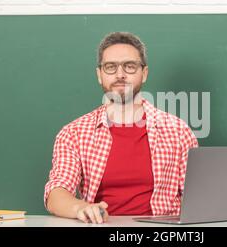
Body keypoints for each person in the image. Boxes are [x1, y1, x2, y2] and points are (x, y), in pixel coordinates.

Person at [44, 32, 198, 224]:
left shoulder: (178, 132)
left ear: (145, 73)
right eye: (110, 67)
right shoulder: (73, 133)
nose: (120, 74)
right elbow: (56, 192)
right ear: (99, 75)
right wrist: (80, 208)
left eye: (130, 66)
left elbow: (196, 197)